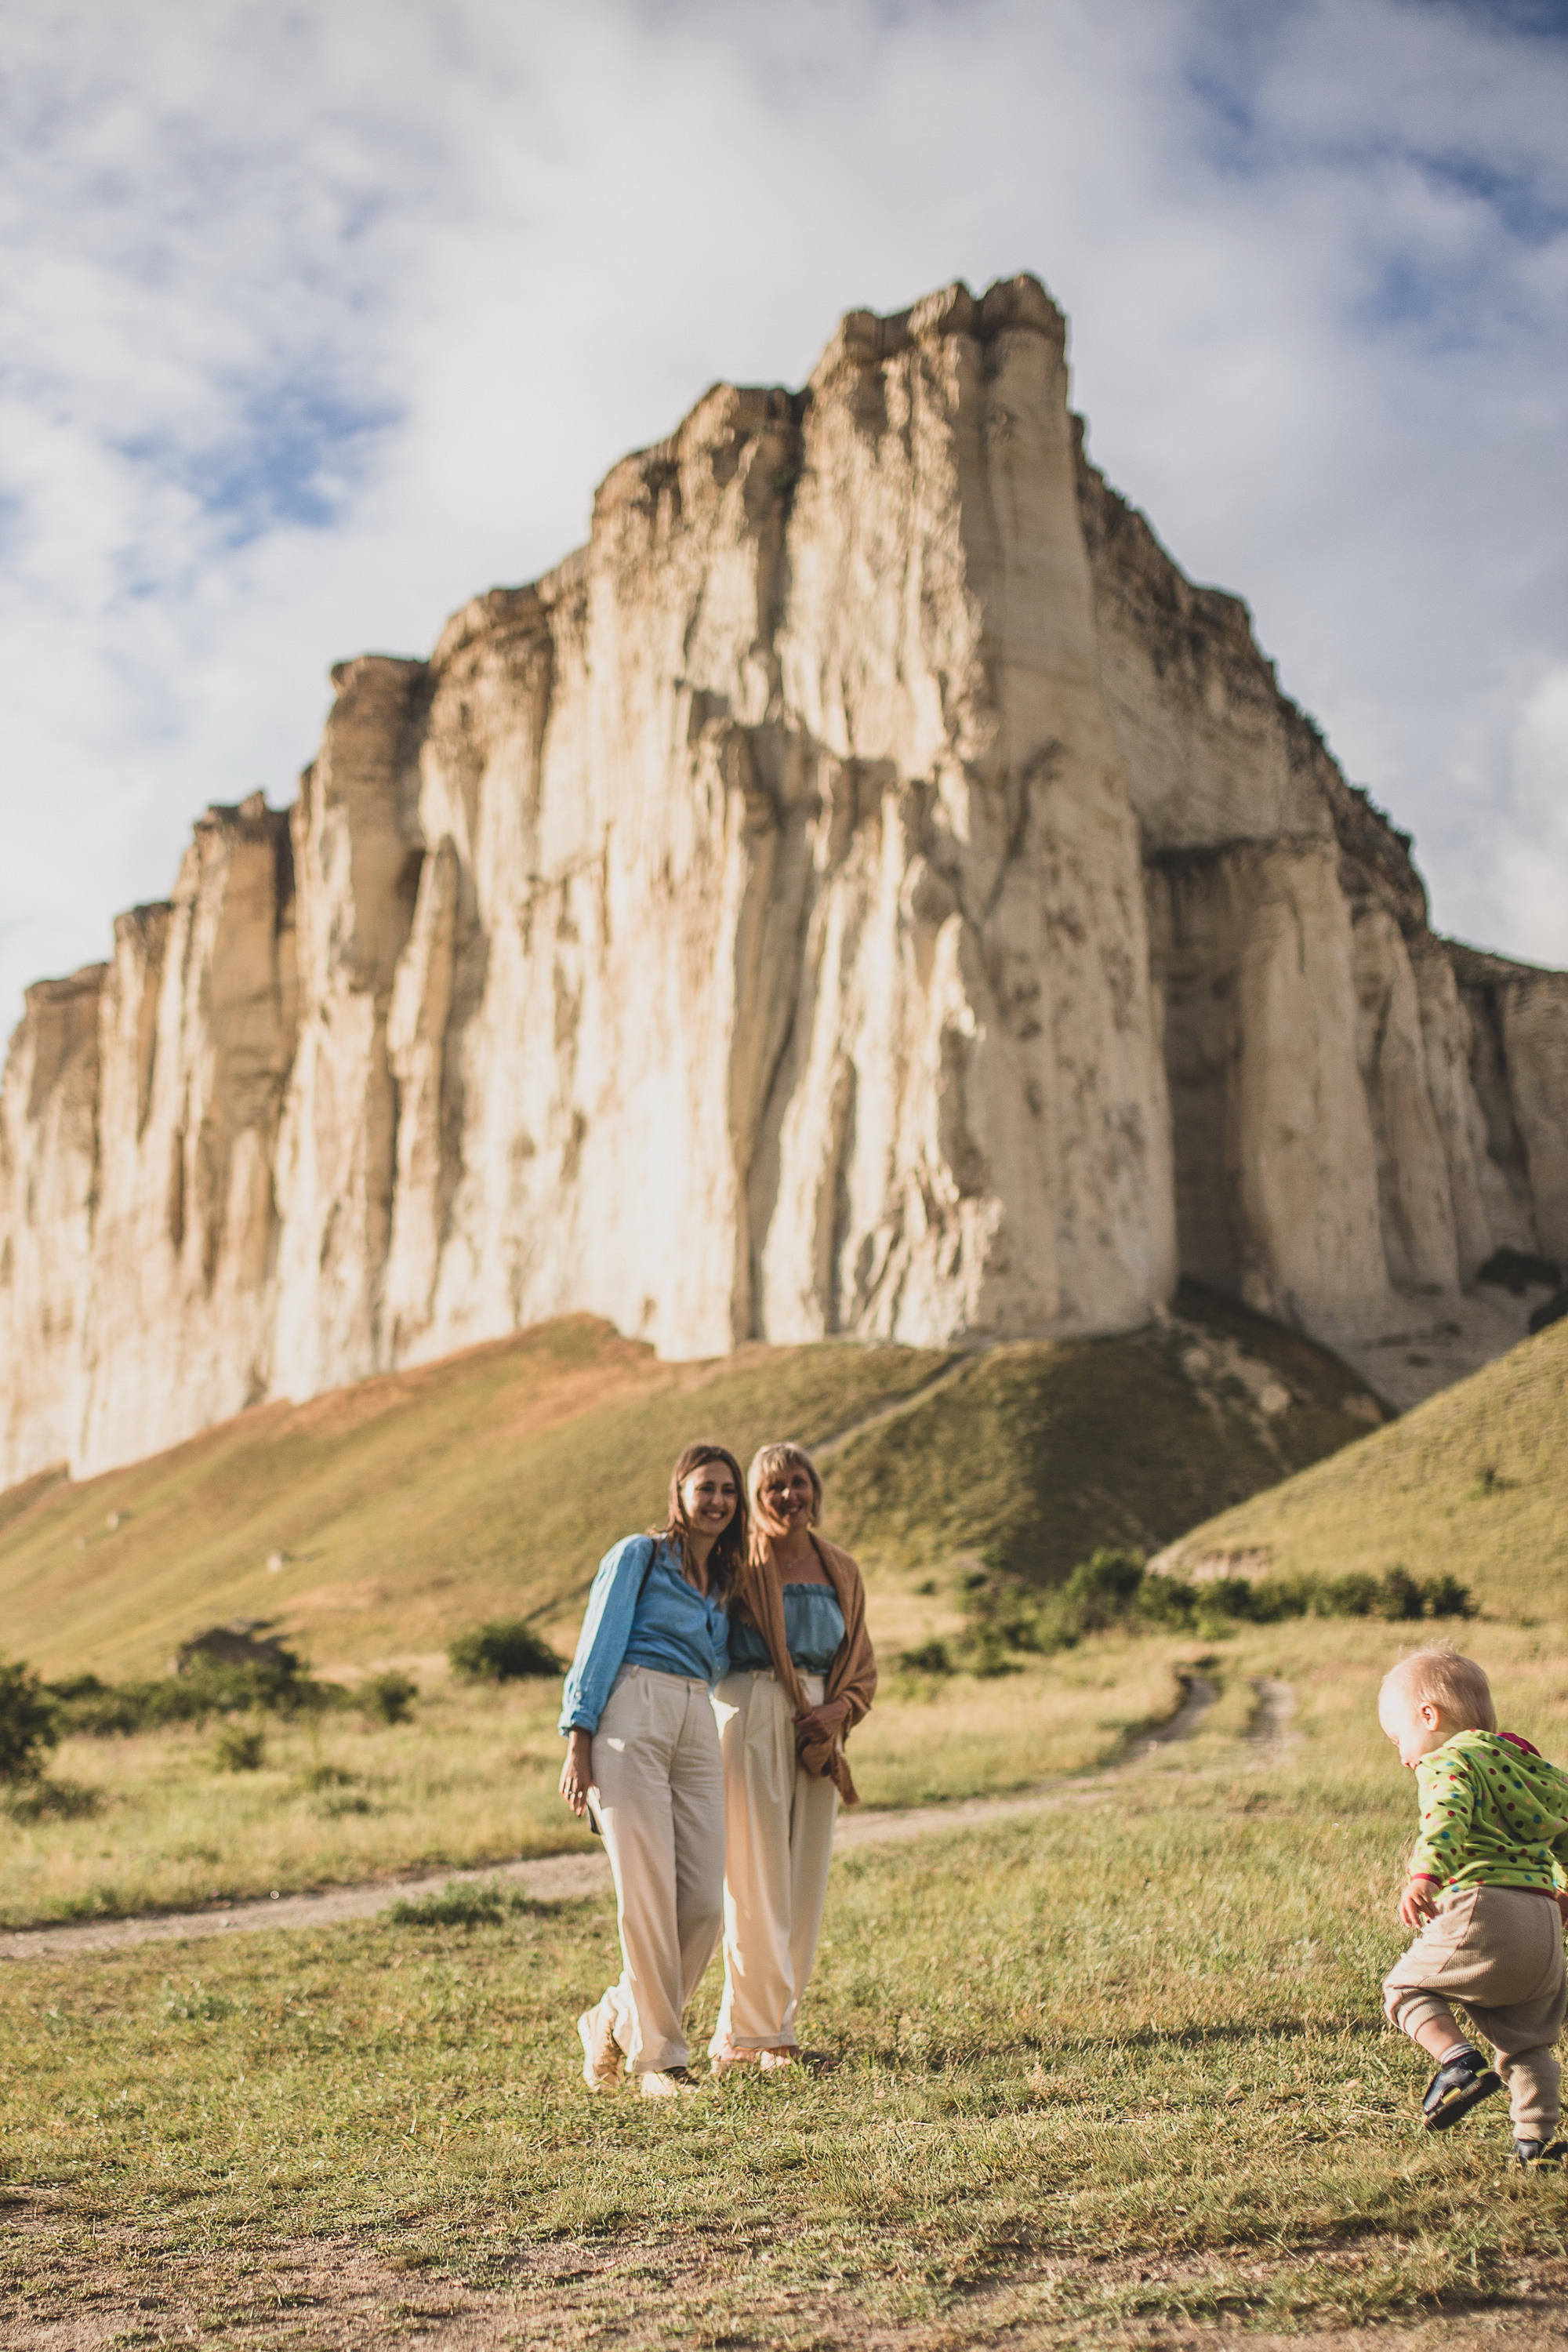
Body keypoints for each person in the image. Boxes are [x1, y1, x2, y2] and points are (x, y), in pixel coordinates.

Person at [558, 1442, 746, 2098]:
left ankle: (614, 2015)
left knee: (703, 1904)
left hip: (698, 1714)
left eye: (728, 1489)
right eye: (706, 1487)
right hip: (631, 1709)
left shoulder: (723, 1579)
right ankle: (661, 2063)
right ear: (680, 1492)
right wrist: (579, 1736)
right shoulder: (639, 1555)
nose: (717, 1500)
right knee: (647, 1895)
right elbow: (598, 1642)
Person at [708, 1440, 877, 2074]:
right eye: (773, 1487)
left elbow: (859, 1659)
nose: (788, 1496)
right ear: (755, 1499)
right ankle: (753, 2038)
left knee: (805, 1878)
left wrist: (842, 1709)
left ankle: (769, 2028)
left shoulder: (841, 1567)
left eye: (798, 1482)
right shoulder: (737, 1563)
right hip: (751, 1707)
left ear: (815, 1490)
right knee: (755, 1876)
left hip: (819, 1727)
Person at [1378, 1643, 1568, 2165]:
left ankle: (1458, 2062)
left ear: (1429, 1716)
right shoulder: (1532, 1768)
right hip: (1543, 1925)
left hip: (1484, 1905)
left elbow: (1446, 1817)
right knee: (1526, 2042)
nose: (1403, 1756)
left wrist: (1425, 1876)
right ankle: (1535, 2142)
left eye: (1399, 1739)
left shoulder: (1449, 1759)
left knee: (1404, 1989)